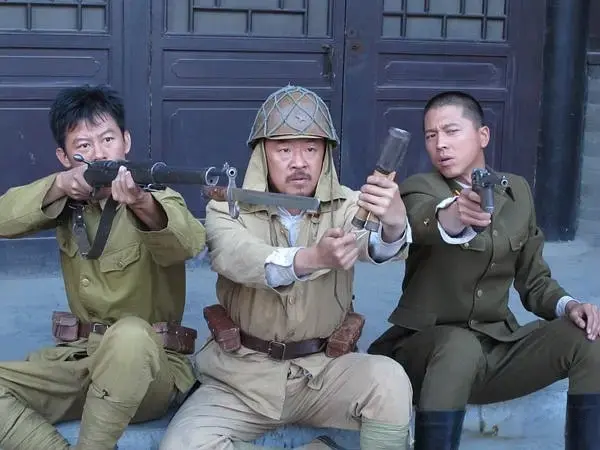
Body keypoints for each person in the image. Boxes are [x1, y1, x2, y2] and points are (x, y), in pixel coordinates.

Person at [160, 85, 414, 450]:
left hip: (325, 370)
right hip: (241, 377)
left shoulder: (349, 205)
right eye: (284, 149)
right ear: (262, 155)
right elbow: (239, 257)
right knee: (183, 445)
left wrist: (394, 222)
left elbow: (375, 244)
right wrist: (312, 258)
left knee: (390, 382)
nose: (299, 162)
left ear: (325, 154)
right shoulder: (226, 208)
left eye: (311, 149)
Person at [367, 90, 600, 450]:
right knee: (458, 347)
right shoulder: (418, 188)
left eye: (451, 131)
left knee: (589, 338)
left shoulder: (517, 191)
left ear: (483, 135)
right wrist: (457, 214)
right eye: (431, 135)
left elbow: (534, 279)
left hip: (495, 350)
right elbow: (426, 220)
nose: (440, 144)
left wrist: (570, 306)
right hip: (425, 356)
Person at [0, 85, 206, 450]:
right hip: (80, 357)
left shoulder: (158, 197)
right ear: (64, 157)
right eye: (84, 145)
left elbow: (189, 243)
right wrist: (59, 185)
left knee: (130, 337)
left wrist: (142, 204)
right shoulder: (68, 199)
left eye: (108, 139)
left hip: (149, 367)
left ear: (126, 141)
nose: (99, 154)